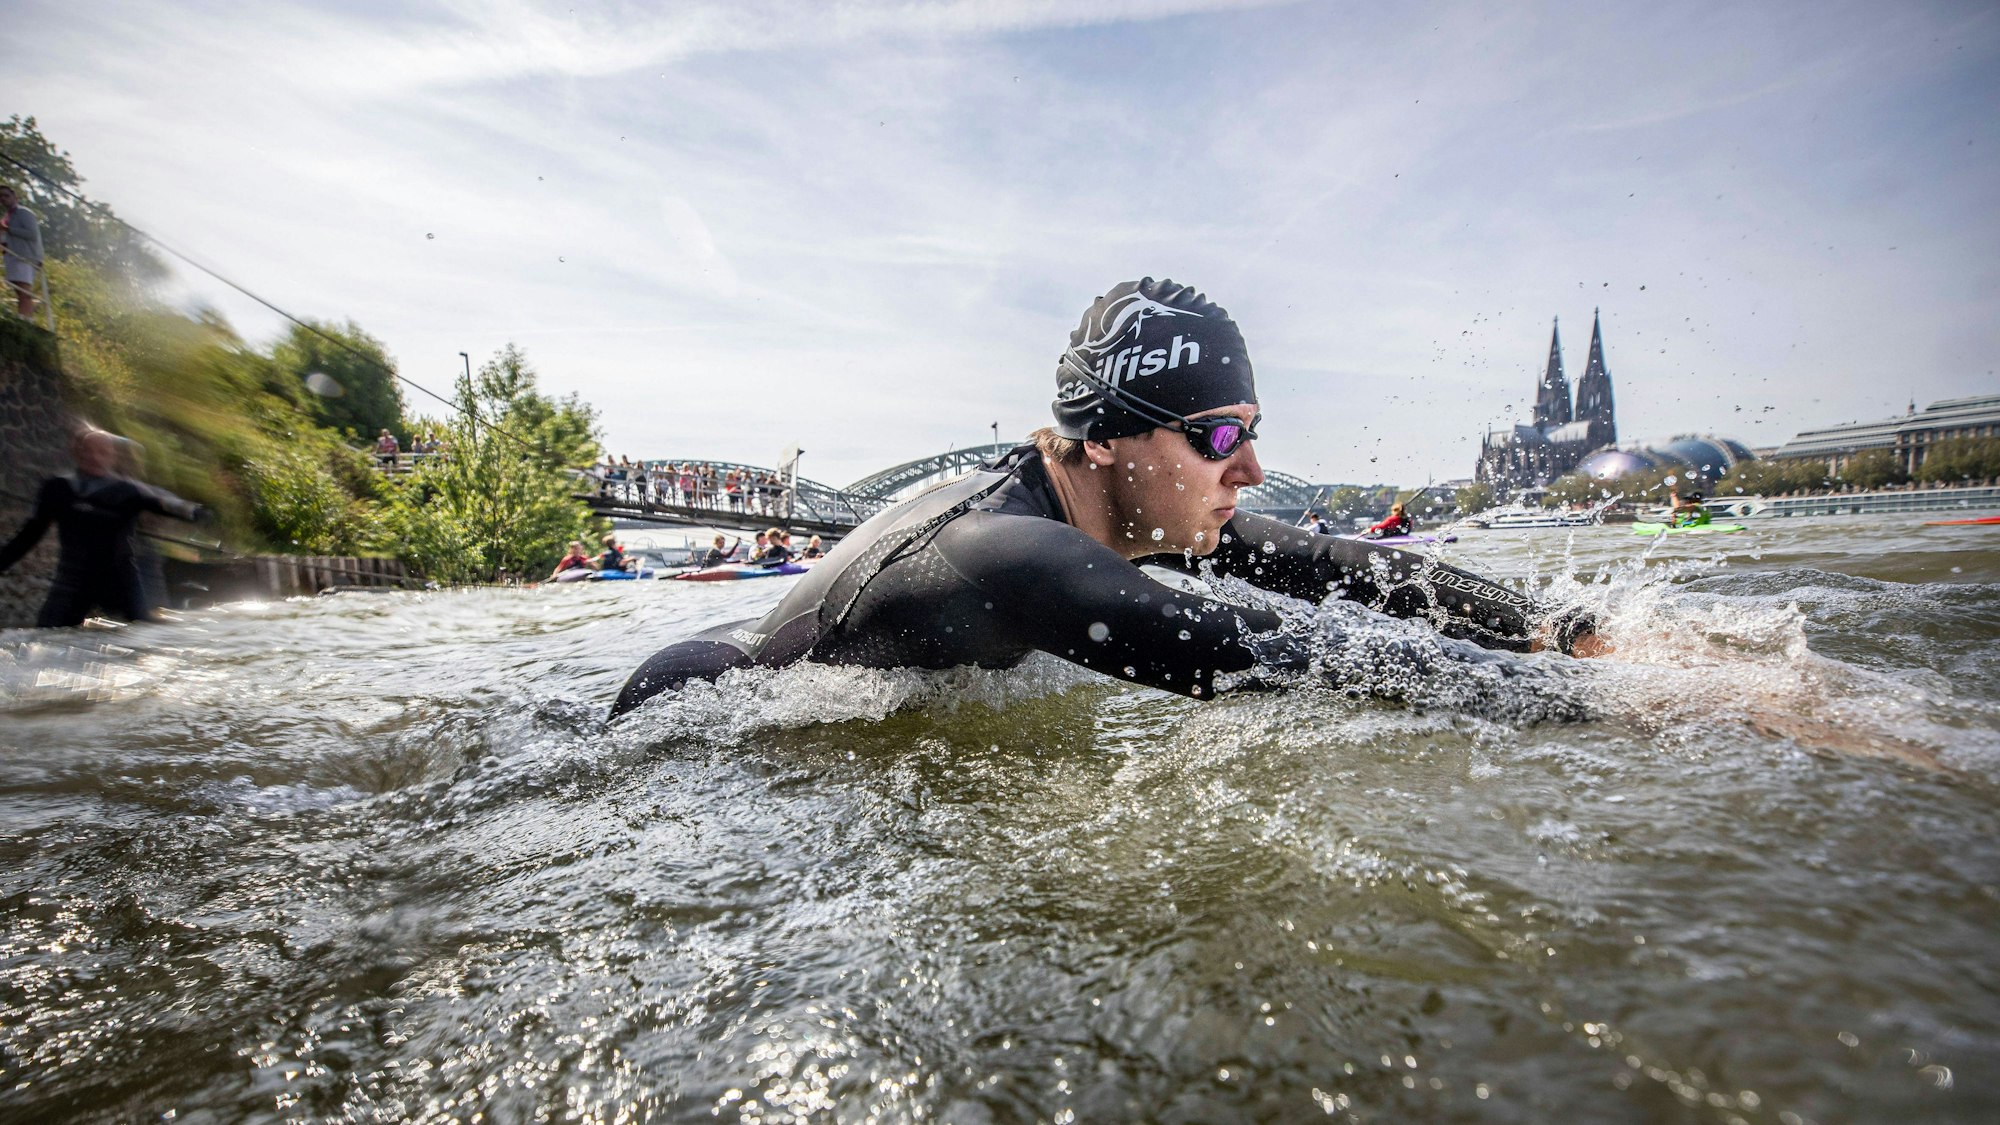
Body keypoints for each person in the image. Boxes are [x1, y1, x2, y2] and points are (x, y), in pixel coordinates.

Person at [613, 277, 1604, 718]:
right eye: (1218, 437)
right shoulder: (1006, 553)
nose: (1249, 470)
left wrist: (1566, 632)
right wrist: (1627, 708)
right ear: (1113, 439)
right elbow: (1261, 649)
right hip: (705, 708)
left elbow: (1332, 570)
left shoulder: (1102, 506)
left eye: (1249, 435)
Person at [0, 426, 209, 627]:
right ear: (77, 453)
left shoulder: (127, 490)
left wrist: (193, 511)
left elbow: (162, 503)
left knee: (141, 638)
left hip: (120, 581)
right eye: (88, 451)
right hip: (72, 581)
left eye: (102, 452)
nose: (94, 457)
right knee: (46, 635)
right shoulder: (58, 488)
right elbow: (28, 536)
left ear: (112, 457)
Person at [1, 184, 44, 320]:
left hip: (25, 256)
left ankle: (24, 319)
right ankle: (25, 318)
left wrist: (7, 229)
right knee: (19, 290)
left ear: (15, 197)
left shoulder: (24, 212)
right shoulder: (8, 216)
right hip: (13, 256)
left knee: (24, 290)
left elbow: (32, 234)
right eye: (0, 197)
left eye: (6, 195)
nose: (3, 199)